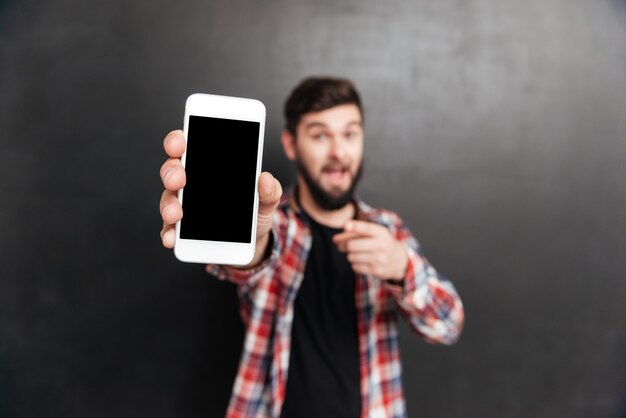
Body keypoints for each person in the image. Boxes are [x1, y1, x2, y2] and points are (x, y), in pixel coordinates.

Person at [159, 77, 464, 418]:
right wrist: (254, 245)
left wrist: (402, 268)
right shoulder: (270, 221)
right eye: (320, 135)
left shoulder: (387, 230)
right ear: (291, 144)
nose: (338, 151)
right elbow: (252, 263)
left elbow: (447, 325)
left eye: (349, 133)